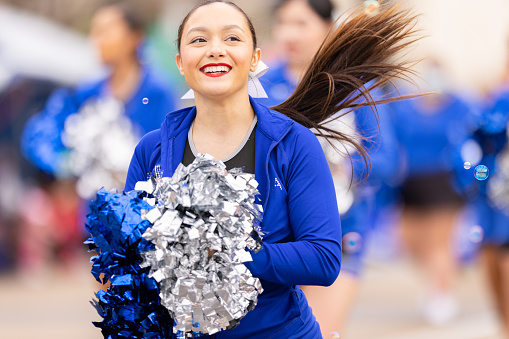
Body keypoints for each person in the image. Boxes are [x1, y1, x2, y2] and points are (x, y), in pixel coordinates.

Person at [124, 0, 419, 337]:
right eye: (198, 40)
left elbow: (322, 258)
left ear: (255, 58)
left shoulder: (294, 142)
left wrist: (227, 252)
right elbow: (128, 253)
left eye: (232, 39)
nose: (215, 50)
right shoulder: (153, 149)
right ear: (180, 62)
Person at [258, 0, 400, 336]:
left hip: (335, 232)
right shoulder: (258, 86)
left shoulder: (355, 86)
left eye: (300, 23)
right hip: (271, 238)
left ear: (328, 27)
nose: (288, 33)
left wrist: (334, 163)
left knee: (319, 331)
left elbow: (387, 160)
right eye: (282, 23)